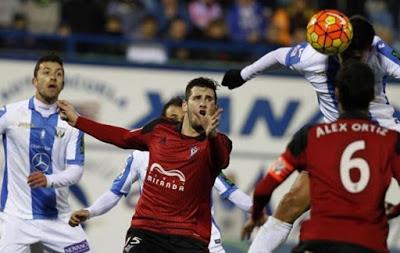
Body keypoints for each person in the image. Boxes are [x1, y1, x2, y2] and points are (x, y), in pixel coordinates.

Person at [222, 14, 400, 250]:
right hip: (335, 141)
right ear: (339, 44)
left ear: (369, 48)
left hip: (382, 134)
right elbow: (278, 55)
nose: (353, 60)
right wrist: (244, 74)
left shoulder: (378, 50)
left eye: (360, 55)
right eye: (348, 54)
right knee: (291, 202)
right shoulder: (313, 56)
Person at [58, 77, 232, 252]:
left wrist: (213, 136)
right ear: (185, 105)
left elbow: (221, 160)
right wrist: (79, 121)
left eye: (209, 99)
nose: (203, 103)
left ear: (214, 108)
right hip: (146, 230)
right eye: (197, 98)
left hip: (188, 237)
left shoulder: (220, 143)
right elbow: (122, 137)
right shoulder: (159, 130)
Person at [253, 60, 399, 253]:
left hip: (319, 242)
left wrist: (256, 214)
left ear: (337, 93)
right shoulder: (390, 140)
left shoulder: (311, 136)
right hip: (369, 244)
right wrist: (394, 210)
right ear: (373, 95)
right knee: (292, 202)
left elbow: (265, 187)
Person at [0, 54, 90, 252]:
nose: (53, 78)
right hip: (16, 218)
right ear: (35, 81)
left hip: (58, 218)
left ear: (63, 84)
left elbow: (76, 171)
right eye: (46, 72)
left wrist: (48, 180)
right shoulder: (11, 114)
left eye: (58, 74)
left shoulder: (73, 123)